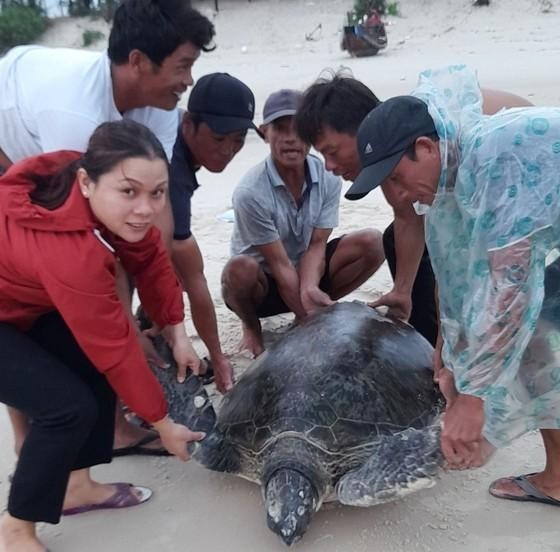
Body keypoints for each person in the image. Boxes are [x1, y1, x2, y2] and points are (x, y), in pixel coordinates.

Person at [0, 0, 215, 457]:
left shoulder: (159, 106)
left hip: (47, 130)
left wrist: (170, 321)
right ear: (138, 61)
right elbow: (92, 239)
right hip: (9, 135)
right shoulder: (76, 118)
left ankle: (101, 417)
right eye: (182, 66)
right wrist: (128, 333)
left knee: (128, 236)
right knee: (38, 289)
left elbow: (154, 219)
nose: (188, 80)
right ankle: (38, 436)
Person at [351, 64, 560, 506]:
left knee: (532, 329)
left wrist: (473, 399)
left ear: (425, 148)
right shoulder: (448, 182)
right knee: (530, 337)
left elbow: (507, 295)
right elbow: (458, 279)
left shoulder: (494, 158)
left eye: (394, 177)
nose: (398, 196)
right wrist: (449, 359)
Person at [0, 120, 205, 552]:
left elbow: (150, 258)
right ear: (85, 182)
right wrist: (163, 423)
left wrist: (178, 331)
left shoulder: (97, 203)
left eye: (157, 192)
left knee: (91, 368)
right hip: (11, 314)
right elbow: (115, 346)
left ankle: (75, 487)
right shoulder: (71, 253)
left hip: (23, 305)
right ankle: (15, 529)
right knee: (65, 408)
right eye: (129, 192)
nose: (146, 209)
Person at [295, 72, 533, 346]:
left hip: (522, 169)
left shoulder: (426, 138)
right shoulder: (391, 158)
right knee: (396, 240)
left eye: (332, 152)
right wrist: (402, 291)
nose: (328, 166)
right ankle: (432, 349)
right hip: (491, 185)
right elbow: (407, 217)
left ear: (362, 131)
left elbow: (461, 249)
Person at [222, 89, 384, 357]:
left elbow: (317, 244)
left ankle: (311, 309)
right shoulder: (250, 192)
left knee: (373, 243)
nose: (290, 139)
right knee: (238, 269)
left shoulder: (328, 176)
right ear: (264, 133)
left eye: (298, 130)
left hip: (307, 270)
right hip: (263, 285)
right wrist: (313, 323)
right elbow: (279, 263)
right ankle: (251, 327)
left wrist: (308, 289)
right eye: (280, 129)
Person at [168, 72, 258, 392]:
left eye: (238, 140)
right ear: (189, 125)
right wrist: (219, 357)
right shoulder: (170, 168)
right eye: (219, 139)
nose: (229, 150)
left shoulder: (179, 141)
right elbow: (194, 278)